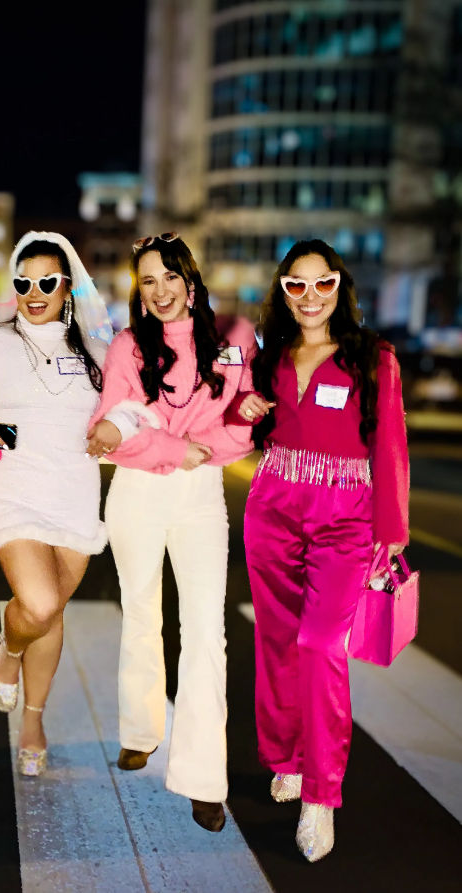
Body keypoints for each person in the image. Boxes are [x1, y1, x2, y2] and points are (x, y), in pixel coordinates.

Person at [235, 239, 409, 862]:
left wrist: (391, 534)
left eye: (322, 284)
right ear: (282, 293)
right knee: (277, 641)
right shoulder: (271, 355)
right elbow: (247, 423)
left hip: (346, 519)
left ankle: (322, 791)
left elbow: (389, 447)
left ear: (341, 287)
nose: (310, 298)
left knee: (318, 644)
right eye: (296, 286)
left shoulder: (372, 358)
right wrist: (244, 405)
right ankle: (285, 757)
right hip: (274, 509)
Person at [85, 233, 256, 832]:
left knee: (207, 630)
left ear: (190, 277)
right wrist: (176, 448)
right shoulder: (129, 347)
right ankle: (140, 727)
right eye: (147, 281)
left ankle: (204, 777)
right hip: (137, 492)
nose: (159, 291)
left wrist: (202, 449)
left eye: (168, 277)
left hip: (201, 493)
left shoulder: (234, 337)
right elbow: (111, 426)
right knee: (141, 613)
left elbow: (246, 424)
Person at [0, 231, 111, 776]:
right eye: (24, 282)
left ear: (68, 287)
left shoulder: (99, 350)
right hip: (16, 489)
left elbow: (130, 409)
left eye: (48, 282)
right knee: (36, 603)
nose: (36, 292)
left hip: (75, 493)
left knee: (52, 608)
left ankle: (33, 720)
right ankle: (7, 655)